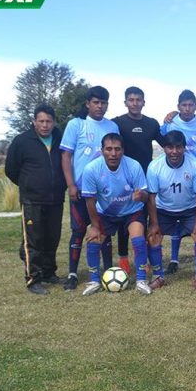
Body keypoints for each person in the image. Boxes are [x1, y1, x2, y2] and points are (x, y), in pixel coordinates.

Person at [60, 86, 119, 291]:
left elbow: (115, 157)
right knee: (78, 231)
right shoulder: (76, 125)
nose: (100, 106)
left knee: (104, 231)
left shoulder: (112, 125)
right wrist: (70, 184)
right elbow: (66, 156)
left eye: (103, 103)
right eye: (96, 102)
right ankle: (73, 274)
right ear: (88, 103)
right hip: (80, 189)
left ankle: (108, 270)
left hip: (103, 192)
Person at [5, 104, 67, 295]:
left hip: (56, 199)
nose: (45, 125)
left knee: (52, 238)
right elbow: (11, 169)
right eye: (41, 121)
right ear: (34, 122)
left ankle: (49, 273)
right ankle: (33, 279)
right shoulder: (22, 141)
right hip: (33, 200)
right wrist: (29, 185)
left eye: (49, 121)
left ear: (54, 122)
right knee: (34, 240)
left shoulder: (60, 138)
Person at [80, 133, 152, 296]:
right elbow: (90, 201)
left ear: (123, 150)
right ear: (102, 150)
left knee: (138, 240)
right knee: (93, 240)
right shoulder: (91, 169)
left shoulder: (133, 166)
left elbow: (146, 195)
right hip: (105, 213)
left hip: (132, 211)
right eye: (109, 149)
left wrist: (141, 196)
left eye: (117, 149)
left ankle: (141, 280)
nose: (113, 154)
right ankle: (94, 281)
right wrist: (95, 226)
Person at [159, 90, 196, 275]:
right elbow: (160, 137)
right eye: (183, 105)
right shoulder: (171, 123)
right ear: (178, 107)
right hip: (174, 172)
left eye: (190, 105)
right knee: (177, 217)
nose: (187, 108)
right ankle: (174, 260)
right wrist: (167, 117)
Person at [112, 86, 167, 276]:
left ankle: (144, 259)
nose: (135, 103)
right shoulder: (117, 123)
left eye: (138, 100)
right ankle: (123, 259)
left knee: (144, 218)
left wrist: (173, 117)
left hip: (145, 178)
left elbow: (167, 143)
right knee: (122, 219)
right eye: (131, 100)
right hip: (122, 178)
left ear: (144, 102)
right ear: (125, 102)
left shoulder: (151, 124)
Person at [146, 130, 196, 290]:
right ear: (164, 148)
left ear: (184, 148)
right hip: (164, 210)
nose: (174, 151)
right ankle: (158, 276)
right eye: (170, 147)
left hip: (189, 210)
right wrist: (153, 223)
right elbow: (151, 198)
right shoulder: (154, 167)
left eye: (178, 147)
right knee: (153, 236)